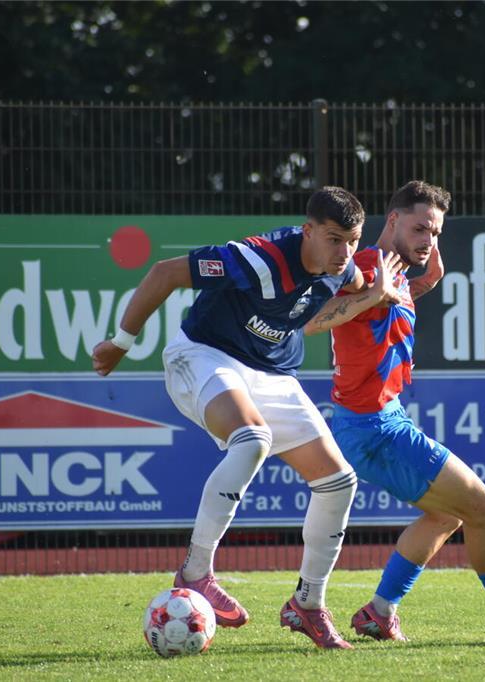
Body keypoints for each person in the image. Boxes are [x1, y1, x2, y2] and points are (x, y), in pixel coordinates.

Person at [93, 186, 401, 650]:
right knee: (253, 437)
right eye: (334, 239)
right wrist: (121, 341)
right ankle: (195, 573)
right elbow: (164, 273)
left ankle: (308, 604)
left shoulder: (346, 269)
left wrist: (379, 294)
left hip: (271, 374)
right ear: (309, 230)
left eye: (353, 240)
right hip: (203, 355)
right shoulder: (258, 258)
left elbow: (352, 288)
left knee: (340, 481)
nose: (345, 252)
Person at [305, 180, 485, 642]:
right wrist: (377, 293)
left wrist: (421, 284)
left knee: (448, 515)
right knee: (483, 505)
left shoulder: (391, 273)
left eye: (435, 234)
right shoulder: (363, 267)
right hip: (373, 427)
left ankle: (379, 610)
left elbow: (378, 312)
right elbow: (313, 320)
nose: (428, 241)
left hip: (382, 419)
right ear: (392, 220)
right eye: (420, 229)